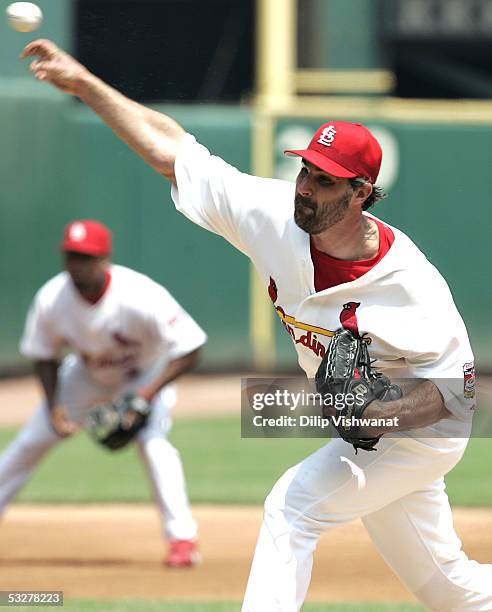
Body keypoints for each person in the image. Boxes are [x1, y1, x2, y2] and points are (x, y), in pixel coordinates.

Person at [19, 40, 492, 611]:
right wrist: (85, 84)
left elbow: (458, 392)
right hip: (365, 426)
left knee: (291, 508)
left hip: (422, 433)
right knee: (447, 589)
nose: (305, 188)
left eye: (325, 180)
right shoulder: (271, 215)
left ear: (360, 192)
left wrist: (380, 414)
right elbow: (174, 151)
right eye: (305, 171)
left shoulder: (411, 284)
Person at [0, 219, 206, 568]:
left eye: (85, 257)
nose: (77, 265)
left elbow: (191, 347)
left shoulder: (139, 295)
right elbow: (44, 355)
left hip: (145, 374)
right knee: (30, 442)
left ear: (104, 259)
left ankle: (182, 539)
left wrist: (146, 394)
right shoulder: (53, 298)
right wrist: (53, 407)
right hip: (85, 375)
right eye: (71, 256)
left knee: (153, 443)